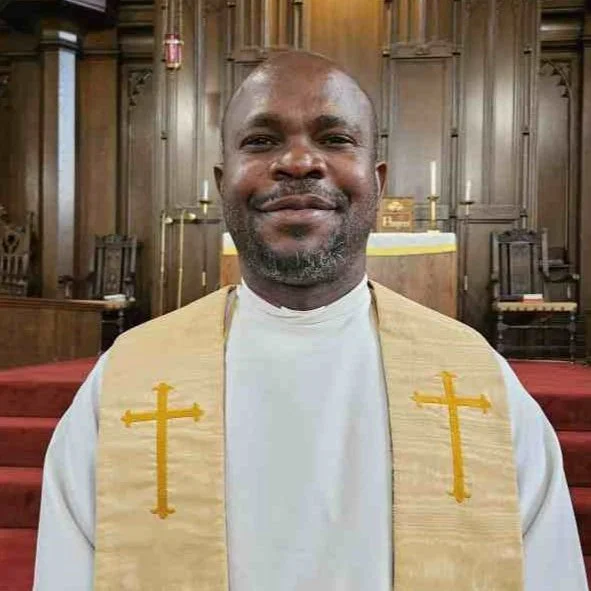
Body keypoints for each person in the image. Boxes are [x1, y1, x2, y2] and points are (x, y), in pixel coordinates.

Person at [34, 51, 587, 591]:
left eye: (335, 138)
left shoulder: (478, 383)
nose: (299, 162)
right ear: (223, 183)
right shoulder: (128, 381)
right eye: (261, 140)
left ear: (378, 181)